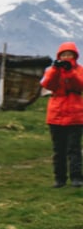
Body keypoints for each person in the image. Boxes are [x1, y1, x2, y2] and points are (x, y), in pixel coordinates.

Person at [40, 41, 83, 188]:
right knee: (58, 150)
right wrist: (55, 70)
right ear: (59, 56)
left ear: (74, 56)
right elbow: (46, 84)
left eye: (69, 55)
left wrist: (70, 72)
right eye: (63, 55)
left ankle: (76, 177)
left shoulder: (79, 70)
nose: (66, 57)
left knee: (74, 148)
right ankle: (59, 178)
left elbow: (80, 85)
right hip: (56, 115)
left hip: (75, 115)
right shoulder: (52, 70)